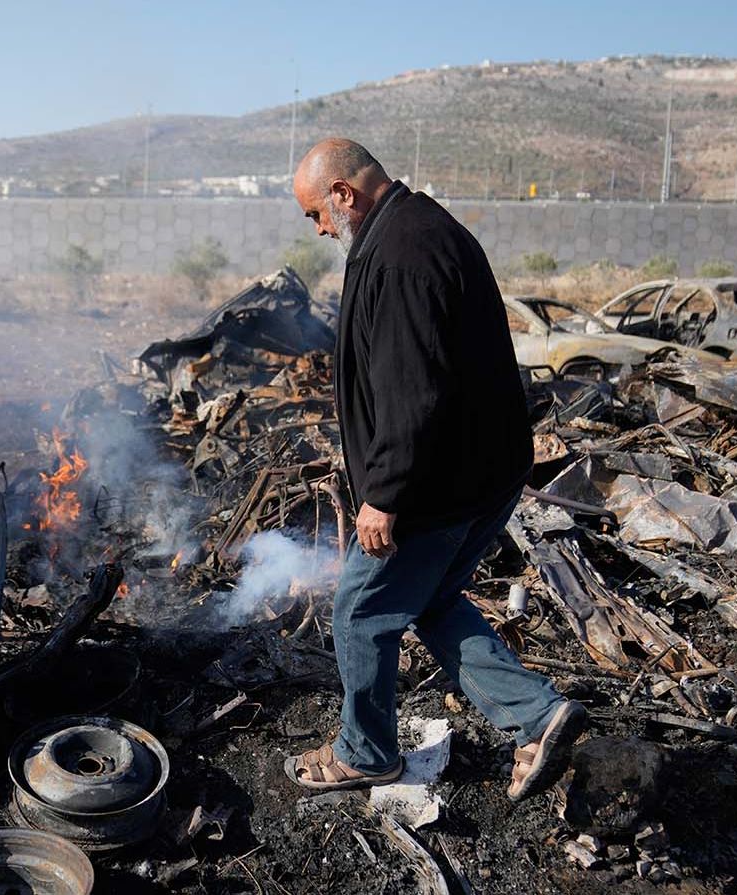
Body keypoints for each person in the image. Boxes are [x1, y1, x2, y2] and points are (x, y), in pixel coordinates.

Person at [282, 138, 585, 801]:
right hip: (481, 468)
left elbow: (411, 386)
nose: (320, 228)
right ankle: (538, 715)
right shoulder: (416, 228)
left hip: (435, 481)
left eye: (316, 213)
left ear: (343, 193)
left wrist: (384, 493)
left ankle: (366, 752)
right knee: (431, 600)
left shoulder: (401, 253)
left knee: (360, 611)